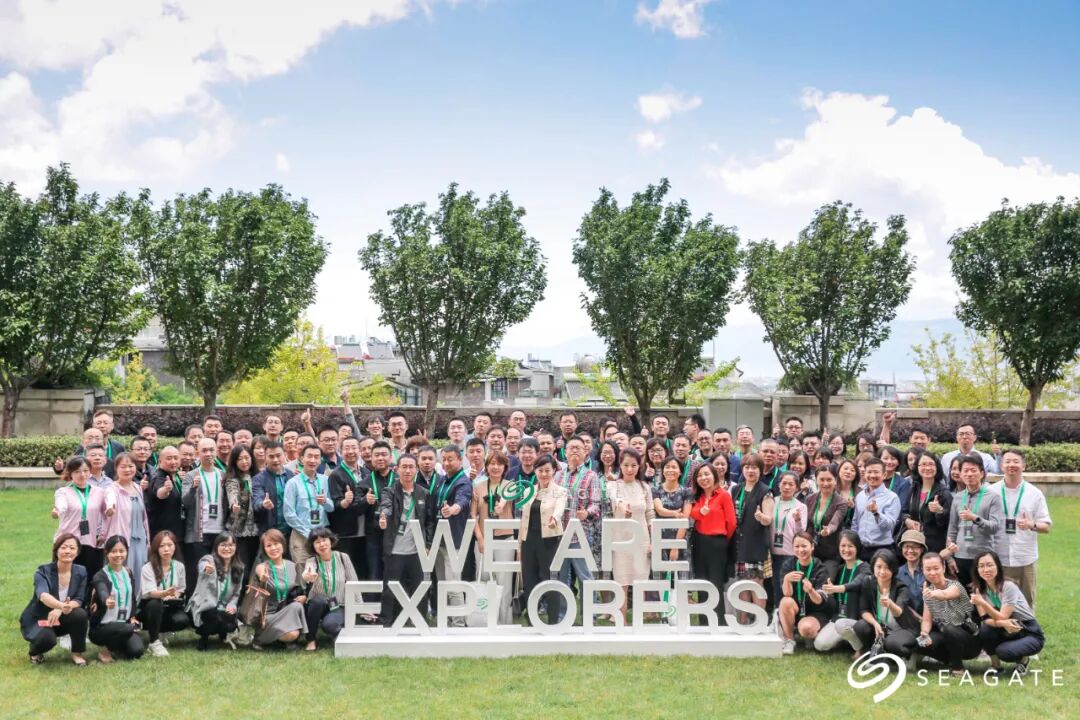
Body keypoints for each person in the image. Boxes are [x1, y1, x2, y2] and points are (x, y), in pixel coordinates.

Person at [378, 454, 434, 628]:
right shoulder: (389, 491)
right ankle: (388, 624)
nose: (408, 470)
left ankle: (420, 623)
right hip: (394, 550)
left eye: (411, 467)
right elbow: (386, 505)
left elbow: (429, 521)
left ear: (416, 470)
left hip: (417, 551)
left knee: (420, 589)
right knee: (390, 590)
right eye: (404, 467)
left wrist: (428, 544)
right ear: (397, 469)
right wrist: (383, 515)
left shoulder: (424, 493)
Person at [992, 449, 1052, 609]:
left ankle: (1028, 625)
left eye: (1016, 461)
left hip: (1025, 558)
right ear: (1001, 465)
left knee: (1027, 602)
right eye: (1007, 461)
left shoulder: (1035, 493)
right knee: (999, 602)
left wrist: (1031, 525)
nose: (1011, 465)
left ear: (1024, 466)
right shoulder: (992, 492)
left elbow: (1046, 526)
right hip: (998, 557)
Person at [971, 550, 1043, 677]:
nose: (985, 569)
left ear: (998, 566)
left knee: (1004, 652)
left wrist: (982, 603)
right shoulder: (979, 590)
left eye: (989, 565)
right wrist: (1002, 624)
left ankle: (1023, 660)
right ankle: (996, 667)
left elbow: (1003, 616)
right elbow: (985, 619)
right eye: (981, 566)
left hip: (1027, 630)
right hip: (1005, 628)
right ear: (977, 569)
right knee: (985, 629)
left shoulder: (1008, 586)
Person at [21, 534, 89, 665]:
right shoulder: (43, 571)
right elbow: (43, 596)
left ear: (77, 552)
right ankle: (34, 652)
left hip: (62, 617)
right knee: (47, 640)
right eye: (64, 547)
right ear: (56, 550)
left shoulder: (81, 571)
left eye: (72, 548)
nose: (68, 551)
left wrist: (60, 609)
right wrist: (61, 606)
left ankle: (77, 653)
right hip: (41, 618)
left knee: (80, 614)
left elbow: (79, 599)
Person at [51, 456, 112, 593]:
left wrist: (103, 534)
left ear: (90, 472)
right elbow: (61, 505)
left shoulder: (100, 492)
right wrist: (57, 511)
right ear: (70, 473)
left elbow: (107, 514)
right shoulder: (63, 492)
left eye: (85, 471)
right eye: (77, 471)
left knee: (90, 580)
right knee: (67, 581)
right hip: (68, 542)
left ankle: (88, 605)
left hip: (91, 542)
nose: (82, 475)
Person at [519, 455, 568, 625]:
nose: (544, 474)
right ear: (535, 471)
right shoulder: (528, 491)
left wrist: (555, 518)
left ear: (554, 470)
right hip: (528, 541)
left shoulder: (560, 491)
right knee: (529, 579)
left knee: (550, 578)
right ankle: (532, 619)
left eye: (548, 470)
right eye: (540, 470)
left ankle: (553, 620)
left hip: (549, 540)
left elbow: (560, 508)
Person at [607, 446, 656, 615]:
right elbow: (616, 499)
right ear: (620, 465)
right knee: (622, 581)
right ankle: (622, 622)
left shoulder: (644, 487)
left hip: (642, 540)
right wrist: (623, 508)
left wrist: (653, 540)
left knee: (641, 580)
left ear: (639, 466)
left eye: (633, 465)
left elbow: (650, 514)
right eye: (626, 465)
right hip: (620, 539)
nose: (629, 469)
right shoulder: (614, 485)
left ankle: (639, 621)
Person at [556, 436, 602, 616]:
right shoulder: (559, 475)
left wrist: (587, 513)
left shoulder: (591, 476)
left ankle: (590, 614)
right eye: (571, 448)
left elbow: (596, 504)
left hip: (580, 534)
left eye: (578, 448)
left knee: (585, 575)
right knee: (561, 577)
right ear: (565, 452)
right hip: (559, 534)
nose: (574, 450)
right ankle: (562, 615)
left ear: (585, 452)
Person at [944, 454, 1005, 587]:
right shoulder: (958, 498)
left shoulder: (993, 497)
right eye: (965, 471)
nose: (969, 474)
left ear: (982, 473)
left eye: (973, 470)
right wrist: (949, 558)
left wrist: (975, 518)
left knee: (983, 594)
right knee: (963, 595)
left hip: (983, 556)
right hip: (960, 555)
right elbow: (952, 529)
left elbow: (995, 527)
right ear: (961, 474)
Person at [428, 445, 473, 624]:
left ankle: (459, 623)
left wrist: (453, 509)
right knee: (442, 583)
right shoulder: (442, 480)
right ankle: (446, 621)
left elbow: (463, 500)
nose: (446, 463)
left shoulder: (463, 482)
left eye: (450, 459)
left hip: (453, 539)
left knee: (453, 583)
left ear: (460, 460)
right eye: (444, 459)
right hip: (438, 540)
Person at [918, 552, 981, 677]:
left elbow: (946, 594)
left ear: (943, 567)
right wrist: (924, 633)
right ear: (923, 570)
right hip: (947, 636)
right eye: (928, 569)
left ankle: (958, 668)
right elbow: (926, 620)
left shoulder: (955, 585)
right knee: (920, 644)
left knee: (949, 629)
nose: (932, 573)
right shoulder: (928, 592)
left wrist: (933, 594)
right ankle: (949, 659)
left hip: (969, 638)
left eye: (936, 568)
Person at [850, 549, 919, 662]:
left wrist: (890, 604)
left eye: (887, 568)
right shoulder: (868, 582)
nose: (882, 571)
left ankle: (910, 655)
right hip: (881, 627)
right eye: (879, 567)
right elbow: (864, 610)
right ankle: (873, 652)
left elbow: (899, 612)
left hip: (903, 628)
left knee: (891, 643)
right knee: (860, 626)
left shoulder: (901, 587)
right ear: (873, 567)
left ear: (893, 569)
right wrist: (875, 623)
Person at [472, 451, 516, 625]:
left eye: (499, 464)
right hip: (483, 540)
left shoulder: (510, 485)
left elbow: (506, 497)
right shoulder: (478, 486)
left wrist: (501, 505)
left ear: (505, 467)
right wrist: (480, 539)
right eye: (492, 463)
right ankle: (485, 620)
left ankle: (505, 622)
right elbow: (473, 516)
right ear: (486, 466)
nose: (495, 467)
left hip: (505, 539)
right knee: (484, 578)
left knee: (504, 582)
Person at [688, 463, 735, 624]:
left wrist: (722, 540)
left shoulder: (723, 495)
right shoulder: (697, 496)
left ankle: (718, 622)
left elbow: (731, 523)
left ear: (714, 475)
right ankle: (703, 622)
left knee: (715, 582)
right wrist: (701, 512)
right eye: (700, 475)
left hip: (717, 543)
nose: (703, 478)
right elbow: (692, 513)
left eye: (706, 474)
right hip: (699, 542)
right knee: (702, 582)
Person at [731, 454, 774, 621]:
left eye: (754, 467)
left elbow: (769, 519)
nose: (750, 470)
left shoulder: (765, 491)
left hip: (756, 545)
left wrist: (761, 517)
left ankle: (759, 622)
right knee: (742, 584)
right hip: (739, 544)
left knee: (756, 584)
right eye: (747, 467)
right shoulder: (736, 489)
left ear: (761, 470)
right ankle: (743, 622)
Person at [301, 527, 359, 650]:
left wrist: (361, 607)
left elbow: (354, 583)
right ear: (313, 546)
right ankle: (311, 639)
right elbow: (306, 573)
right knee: (318, 601)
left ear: (330, 541)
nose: (322, 544)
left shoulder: (343, 557)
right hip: (317, 606)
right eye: (317, 542)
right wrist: (308, 576)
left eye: (324, 540)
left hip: (338, 605)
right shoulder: (312, 561)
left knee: (330, 625)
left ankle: (338, 633)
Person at [102, 453, 151, 599]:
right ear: (116, 469)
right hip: (122, 539)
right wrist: (110, 507)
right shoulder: (112, 488)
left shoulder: (137, 487)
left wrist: (147, 538)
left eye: (131, 466)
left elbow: (143, 516)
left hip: (139, 538)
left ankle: (136, 606)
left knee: (139, 572)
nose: (127, 470)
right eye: (123, 466)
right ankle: (120, 605)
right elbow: (110, 500)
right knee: (121, 573)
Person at [182, 438, 228, 591]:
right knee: (198, 573)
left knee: (218, 573)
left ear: (216, 452)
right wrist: (193, 489)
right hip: (198, 533)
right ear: (197, 453)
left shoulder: (223, 475)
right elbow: (185, 503)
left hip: (220, 532)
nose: (208, 454)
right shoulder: (191, 475)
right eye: (204, 450)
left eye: (211, 450)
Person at [90, 536, 145, 662]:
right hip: (102, 626)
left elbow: (132, 598)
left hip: (123, 623)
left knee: (137, 651)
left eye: (122, 551)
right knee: (127, 629)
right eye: (114, 551)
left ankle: (116, 646)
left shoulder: (128, 573)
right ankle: (105, 651)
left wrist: (132, 616)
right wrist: (106, 600)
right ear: (107, 553)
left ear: (127, 552)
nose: (118, 555)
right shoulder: (100, 575)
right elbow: (102, 589)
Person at [776, 532, 832, 654]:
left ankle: (811, 635)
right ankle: (789, 640)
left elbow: (819, 601)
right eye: (797, 546)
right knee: (785, 601)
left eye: (804, 546)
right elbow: (787, 594)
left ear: (812, 547)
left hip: (816, 611)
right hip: (796, 610)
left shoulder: (820, 568)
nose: (800, 550)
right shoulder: (788, 564)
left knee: (807, 629)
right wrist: (787, 580)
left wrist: (811, 591)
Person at [816, 531, 870, 654]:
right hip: (839, 617)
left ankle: (859, 648)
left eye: (850, 546)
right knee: (820, 644)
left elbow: (857, 583)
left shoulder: (865, 567)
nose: (846, 549)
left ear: (857, 547)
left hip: (857, 620)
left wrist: (837, 588)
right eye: (843, 546)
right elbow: (832, 596)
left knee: (842, 625)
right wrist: (829, 592)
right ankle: (846, 641)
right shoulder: (840, 569)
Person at [187, 532, 243, 650]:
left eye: (230, 545)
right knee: (212, 615)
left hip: (224, 607)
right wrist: (206, 569)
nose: (227, 548)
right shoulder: (209, 560)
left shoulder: (239, 567)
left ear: (235, 547)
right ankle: (203, 636)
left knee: (230, 624)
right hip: (206, 606)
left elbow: (236, 593)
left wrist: (232, 605)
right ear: (216, 546)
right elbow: (202, 565)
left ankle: (222, 632)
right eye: (223, 545)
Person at [250, 529, 306, 647]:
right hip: (267, 616)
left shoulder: (292, 566)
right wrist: (263, 577)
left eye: (276, 544)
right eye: (269, 545)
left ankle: (280, 639)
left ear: (283, 545)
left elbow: (300, 588)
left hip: (286, 611)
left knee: (297, 607)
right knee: (291, 635)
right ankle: (260, 639)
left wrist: (303, 597)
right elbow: (260, 572)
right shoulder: (263, 566)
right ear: (264, 549)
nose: (273, 548)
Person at [139, 530, 190, 657]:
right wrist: (164, 593)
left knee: (182, 620)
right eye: (162, 546)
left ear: (175, 547)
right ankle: (154, 642)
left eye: (170, 545)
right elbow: (150, 593)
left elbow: (181, 588)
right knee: (155, 604)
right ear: (156, 548)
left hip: (171, 605)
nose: (166, 549)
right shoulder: (147, 568)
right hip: (150, 607)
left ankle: (162, 632)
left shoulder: (179, 566)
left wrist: (175, 595)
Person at [283, 444, 334, 565]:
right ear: (301, 459)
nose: (313, 460)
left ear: (320, 460)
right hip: (301, 535)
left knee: (323, 570)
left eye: (316, 457)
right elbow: (289, 514)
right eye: (309, 456)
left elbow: (331, 508)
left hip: (322, 534)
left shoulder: (325, 480)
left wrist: (325, 502)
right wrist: (308, 533)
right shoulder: (293, 483)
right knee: (303, 571)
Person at [328, 436, 367, 580]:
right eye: (347, 448)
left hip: (365, 530)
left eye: (354, 448)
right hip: (345, 532)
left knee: (363, 570)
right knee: (346, 571)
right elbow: (334, 504)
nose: (351, 451)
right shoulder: (335, 475)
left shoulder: (366, 472)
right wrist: (344, 502)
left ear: (360, 450)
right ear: (340, 451)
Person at [899, 451, 951, 554]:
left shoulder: (944, 493)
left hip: (934, 546)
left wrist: (940, 511)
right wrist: (907, 520)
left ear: (937, 467)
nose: (927, 468)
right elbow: (904, 511)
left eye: (931, 464)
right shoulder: (913, 489)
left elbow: (949, 522)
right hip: (914, 543)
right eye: (923, 464)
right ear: (917, 467)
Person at [851, 458, 900, 560]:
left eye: (876, 472)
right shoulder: (860, 495)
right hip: (861, 549)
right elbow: (855, 523)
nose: (872, 475)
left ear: (884, 475)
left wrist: (876, 513)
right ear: (864, 474)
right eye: (869, 472)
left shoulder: (892, 497)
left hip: (882, 550)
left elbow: (889, 526)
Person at [224, 444, 260, 583]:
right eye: (240, 459)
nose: (244, 462)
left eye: (247, 458)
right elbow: (232, 494)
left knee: (256, 566)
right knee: (242, 567)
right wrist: (234, 505)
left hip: (258, 528)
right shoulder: (232, 479)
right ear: (234, 461)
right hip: (240, 529)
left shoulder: (258, 477)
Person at [770, 472, 808, 602]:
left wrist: (797, 520)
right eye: (784, 483)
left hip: (789, 553)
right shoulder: (771, 502)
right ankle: (774, 610)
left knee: (786, 587)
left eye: (791, 484)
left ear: (797, 487)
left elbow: (801, 532)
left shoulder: (801, 506)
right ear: (778, 485)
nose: (786, 487)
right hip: (770, 552)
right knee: (772, 586)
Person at [805, 465, 848, 565]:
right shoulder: (809, 499)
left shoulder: (841, 502)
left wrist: (828, 530)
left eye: (829, 480)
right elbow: (807, 524)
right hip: (811, 549)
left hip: (831, 551)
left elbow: (835, 522)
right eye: (822, 480)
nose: (825, 483)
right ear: (816, 480)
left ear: (836, 480)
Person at [251, 440, 294, 541]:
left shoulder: (291, 475)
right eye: (271, 456)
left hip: (292, 530)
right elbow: (257, 500)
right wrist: (263, 504)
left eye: (278, 455)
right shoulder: (259, 479)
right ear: (265, 457)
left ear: (284, 454)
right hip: (270, 531)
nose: (275, 460)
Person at [146, 446, 184, 543]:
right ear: (160, 461)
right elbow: (160, 493)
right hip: (162, 535)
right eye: (169, 458)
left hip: (176, 532)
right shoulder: (159, 477)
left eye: (176, 458)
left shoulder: (176, 477)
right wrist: (166, 489)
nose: (173, 462)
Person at [896, 529, 928, 615]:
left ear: (922, 549)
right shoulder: (898, 573)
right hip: (907, 617)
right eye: (906, 546)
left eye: (914, 547)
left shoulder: (929, 570)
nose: (910, 550)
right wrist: (918, 618)